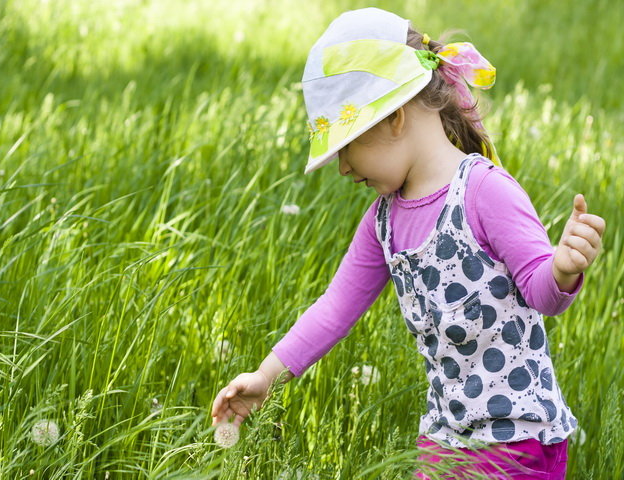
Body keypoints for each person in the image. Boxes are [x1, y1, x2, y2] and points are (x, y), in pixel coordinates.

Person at [210, 7, 605, 479]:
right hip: (444, 438)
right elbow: (336, 306)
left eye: (346, 146)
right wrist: (265, 376)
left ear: (394, 118)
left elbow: (541, 293)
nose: (342, 168)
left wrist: (562, 268)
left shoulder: (484, 190)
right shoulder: (383, 219)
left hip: (515, 439)